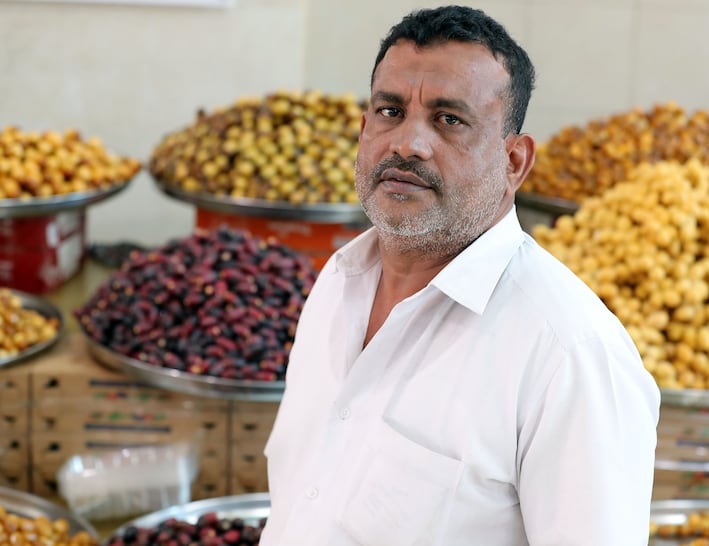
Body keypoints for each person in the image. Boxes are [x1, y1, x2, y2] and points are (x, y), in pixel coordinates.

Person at [260, 5, 660, 545]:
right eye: (389, 112)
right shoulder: (336, 282)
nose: (408, 144)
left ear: (514, 162)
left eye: (449, 120)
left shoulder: (568, 352)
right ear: (362, 129)